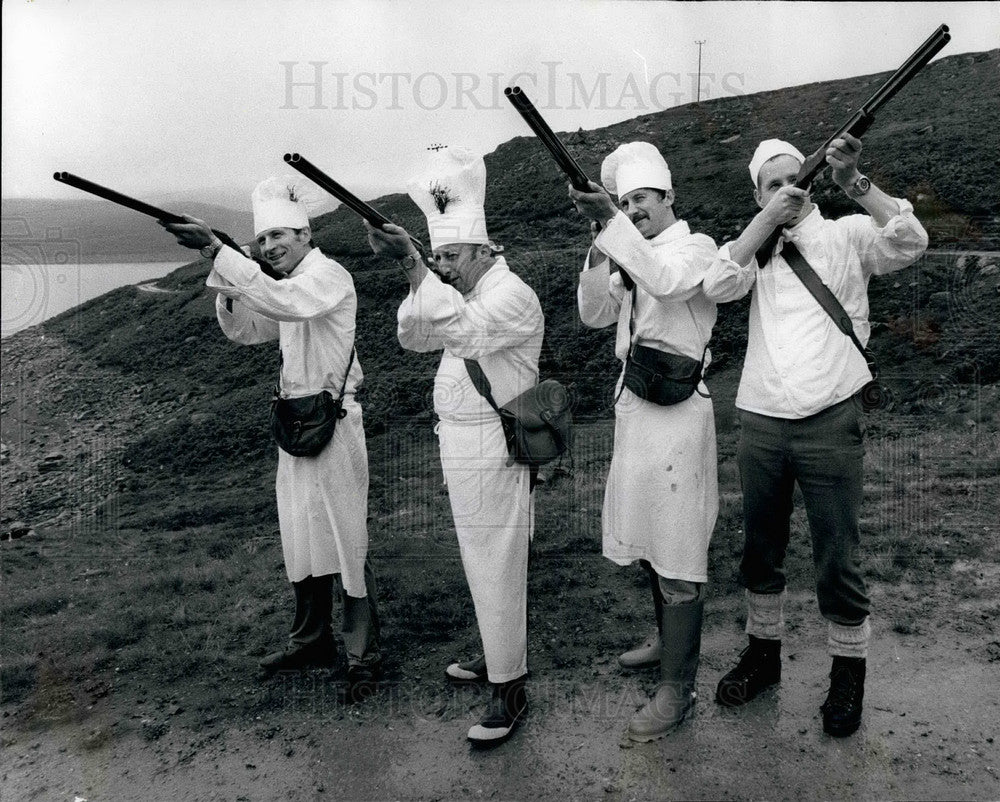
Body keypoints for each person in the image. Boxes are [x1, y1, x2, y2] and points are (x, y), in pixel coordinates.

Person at [702, 135, 928, 736]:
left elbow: (911, 241)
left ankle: (848, 671)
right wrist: (763, 224)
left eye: (792, 179)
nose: (785, 191)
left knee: (837, 554)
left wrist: (855, 180)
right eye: (771, 185)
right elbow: (719, 285)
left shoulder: (847, 233)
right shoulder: (756, 247)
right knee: (761, 549)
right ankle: (764, 655)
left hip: (832, 416)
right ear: (757, 195)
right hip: (762, 419)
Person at [159, 176, 382, 703]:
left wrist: (221, 252)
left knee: (347, 538)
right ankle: (311, 640)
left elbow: (287, 305)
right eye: (262, 240)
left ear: (306, 234)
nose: (269, 247)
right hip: (295, 423)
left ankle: (361, 653)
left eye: (278, 235)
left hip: (334, 421)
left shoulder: (329, 276)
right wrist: (231, 279)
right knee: (301, 535)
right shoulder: (288, 283)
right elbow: (250, 330)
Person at [365, 146, 543, 748]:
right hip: (462, 441)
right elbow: (413, 336)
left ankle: (509, 687)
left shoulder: (512, 293)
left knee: (497, 556)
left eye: (451, 255)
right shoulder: (460, 287)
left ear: (483, 249)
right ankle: (499, 653)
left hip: (494, 442)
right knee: (479, 555)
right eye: (437, 254)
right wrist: (415, 275)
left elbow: (463, 336)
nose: (443, 265)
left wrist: (418, 271)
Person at [569, 142, 720, 742]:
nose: (634, 210)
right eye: (625, 201)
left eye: (642, 199)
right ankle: (665, 642)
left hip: (679, 413)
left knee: (679, 546)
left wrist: (612, 226)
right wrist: (595, 236)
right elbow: (592, 316)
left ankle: (678, 690)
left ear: (669, 198)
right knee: (649, 536)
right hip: (636, 407)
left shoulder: (695, 247)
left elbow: (666, 282)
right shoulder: (627, 248)